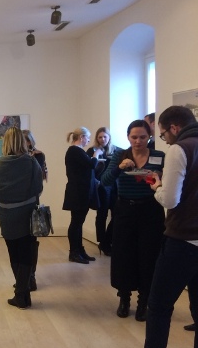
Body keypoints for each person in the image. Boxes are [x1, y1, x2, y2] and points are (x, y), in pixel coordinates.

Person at [110, 105, 198, 348]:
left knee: (159, 307)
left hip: (183, 238)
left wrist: (157, 185)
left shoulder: (179, 149)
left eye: (161, 133)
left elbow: (170, 200)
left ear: (174, 127)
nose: (164, 139)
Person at [101, 119, 165, 321]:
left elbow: (167, 182)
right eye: (134, 137)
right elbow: (105, 181)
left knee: (149, 255)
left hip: (150, 209)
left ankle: (143, 301)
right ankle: (124, 299)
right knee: (123, 255)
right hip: (125, 210)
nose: (138, 141)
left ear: (150, 136)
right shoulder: (120, 155)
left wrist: (156, 177)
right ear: (128, 137)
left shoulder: (159, 156)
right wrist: (119, 168)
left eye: (143, 137)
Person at [0, 127, 43, 309]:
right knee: (26, 253)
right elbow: (38, 188)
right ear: (22, 141)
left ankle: (21, 295)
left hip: (7, 215)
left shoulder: (2, 163)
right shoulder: (31, 162)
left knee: (14, 253)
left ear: (6, 142)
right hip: (27, 214)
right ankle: (23, 295)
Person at [63, 127, 102, 263]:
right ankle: (74, 252)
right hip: (78, 193)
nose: (89, 140)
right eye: (88, 137)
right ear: (82, 137)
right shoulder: (75, 151)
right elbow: (91, 164)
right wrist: (96, 154)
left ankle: (79, 250)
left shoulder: (77, 151)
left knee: (78, 223)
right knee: (76, 223)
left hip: (81, 192)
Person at [87, 127, 122, 256]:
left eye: (105, 137)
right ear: (97, 138)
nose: (102, 139)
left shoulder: (117, 150)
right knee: (102, 215)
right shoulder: (92, 151)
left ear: (109, 137)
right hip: (101, 186)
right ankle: (103, 242)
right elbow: (89, 169)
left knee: (117, 214)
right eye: (100, 137)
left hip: (115, 187)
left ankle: (108, 240)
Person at [23, 129, 47, 290]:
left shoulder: (38, 155)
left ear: (30, 141)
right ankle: (23, 277)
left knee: (32, 241)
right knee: (21, 242)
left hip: (31, 201)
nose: (24, 143)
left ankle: (31, 276)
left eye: (26, 140)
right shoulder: (16, 157)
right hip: (19, 202)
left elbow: (37, 180)